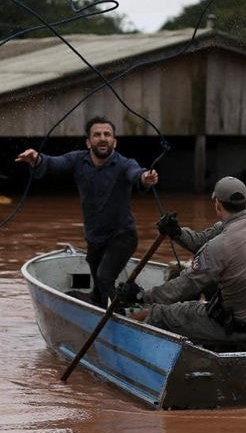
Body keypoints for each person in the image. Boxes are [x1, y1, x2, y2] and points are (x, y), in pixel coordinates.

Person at [116, 176, 246, 344]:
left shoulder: (219, 246)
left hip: (239, 327)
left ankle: (131, 347)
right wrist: (176, 232)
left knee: (159, 313)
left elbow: (183, 286)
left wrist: (141, 296)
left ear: (217, 204)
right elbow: (203, 240)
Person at [15, 117, 159, 306]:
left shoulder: (124, 164)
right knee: (98, 291)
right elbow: (53, 163)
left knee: (104, 277)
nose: (102, 138)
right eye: (97, 135)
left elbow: (136, 174)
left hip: (122, 237)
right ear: (88, 142)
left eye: (107, 135)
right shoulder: (77, 160)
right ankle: (100, 309)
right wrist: (37, 159)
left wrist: (145, 178)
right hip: (95, 238)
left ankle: (120, 317)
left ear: (114, 142)